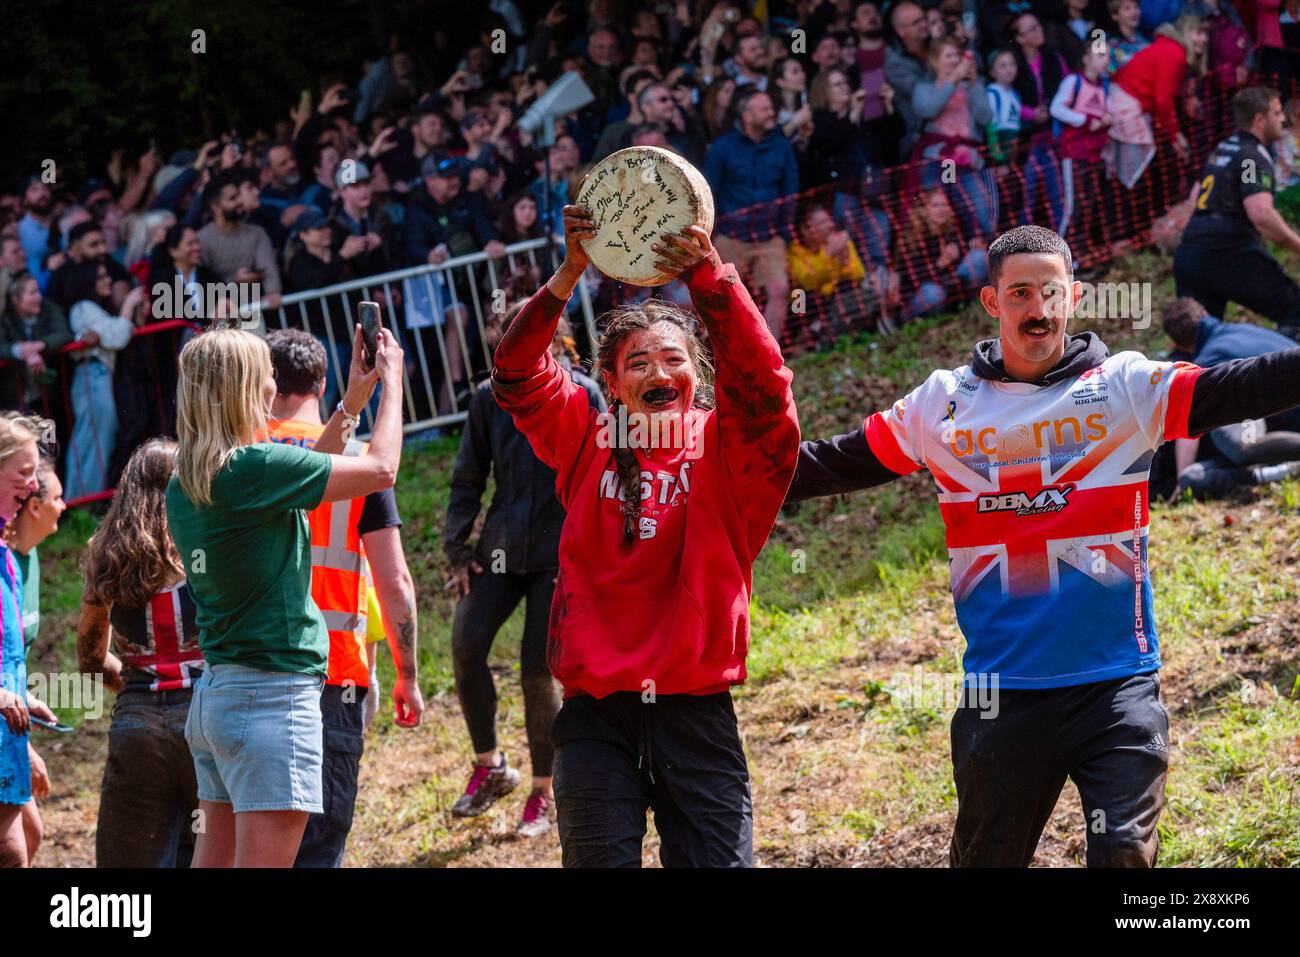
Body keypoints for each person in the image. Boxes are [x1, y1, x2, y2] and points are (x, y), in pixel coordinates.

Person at [788, 224, 1300, 867]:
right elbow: (832, 464)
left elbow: (1243, 385)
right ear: (991, 302)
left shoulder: (1125, 388)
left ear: (1075, 298)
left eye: (1051, 292)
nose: (1038, 309)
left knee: (1124, 859)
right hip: (1001, 693)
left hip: (1117, 685)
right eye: (1021, 293)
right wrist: (719, 476)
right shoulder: (942, 404)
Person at [491, 206, 799, 867]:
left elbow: (767, 392)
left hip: (697, 714)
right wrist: (568, 272)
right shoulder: (585, 438)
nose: (659, 373)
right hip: (595, 719)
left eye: (674, 358)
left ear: (696, 373)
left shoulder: (725, 446)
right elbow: (514, 372)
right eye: (639, 363)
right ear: (609, 383)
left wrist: (710, 276)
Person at [165, 322, 404, 868]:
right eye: (265, 373)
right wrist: (392, 386)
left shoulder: (193, 475)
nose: (274, 381)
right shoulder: (254, 468)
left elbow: (306, 481)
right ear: (245, 387)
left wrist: (350, 404)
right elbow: (381, 469)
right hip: (271, 700)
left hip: (219, 698)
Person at [262, 328, 425, 867]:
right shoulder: (359, 460)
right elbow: (395, 582)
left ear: (265, 383)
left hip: (252, 671)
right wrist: (407, 675)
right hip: (335, 677)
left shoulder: (243, 454)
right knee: (317, 845)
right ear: (323, 381)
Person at [444, 305, 605, 836]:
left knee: (539, 671)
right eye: (511, 336)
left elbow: (611, 472)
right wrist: (457, 546)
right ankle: (491, 767)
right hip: (502, 547)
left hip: (564, 552)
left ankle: (544, 790)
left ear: (556, 336)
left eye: (532, 333)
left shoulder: (583, 393)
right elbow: (468, 476)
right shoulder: (490, 398)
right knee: (466, 643)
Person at [77, 439, 206, 866]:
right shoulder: (207, 545)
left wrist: (136, 682)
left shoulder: (108, 555)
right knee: (211, 852)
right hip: (207, 724)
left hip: (137, 727)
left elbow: (91, 659)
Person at [1174, 87, 1300, 341]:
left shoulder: (1223, 150)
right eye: (1277, 113)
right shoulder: (1251, 159)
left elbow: (1193, 201)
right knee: (1296, 310)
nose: (1283, 119)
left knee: (1195, 337)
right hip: (1227, 251)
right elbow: (1261, 213)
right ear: (1260, 120)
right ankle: (1285, 374)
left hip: (1190, 253)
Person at [1158, 296, 1300, 497]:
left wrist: (1182, 482)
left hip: (1289, 419)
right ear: (1205, 314)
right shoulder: (1246, 329)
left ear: (1178, 346)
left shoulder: (1208, 361)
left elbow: (1189, 423)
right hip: (1285, 409)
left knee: (1238, 442)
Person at [0, 411, 58, 867]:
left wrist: (22, 695)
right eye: (23, 473)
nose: (32, 486)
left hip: (9, 719)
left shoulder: (9, 552)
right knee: (12, 849)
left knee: (29, 836)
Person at [704, 88, 800, 343]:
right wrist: (714, 234)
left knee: (779, 291)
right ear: (747, 115)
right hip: (731, 236)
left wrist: (784, 231)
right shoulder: (722, 148)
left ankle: (770, 354)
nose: (772, 114)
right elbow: (709, 191)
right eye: (764, 109)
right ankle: (724, 356)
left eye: (771, 108)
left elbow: (791, 191)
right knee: (724, 297)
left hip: (770, 236)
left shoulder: (781, 146)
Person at [1107, 14, 1207, 187]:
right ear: (1186, 32)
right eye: (1198, 33)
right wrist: (1175, 136)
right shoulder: (1174, 53)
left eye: (1205, 34)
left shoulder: (1171, 49)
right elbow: (1162, 100)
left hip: (1130, 105)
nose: (1204, 39)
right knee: (1135, 170)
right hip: (1126, 107)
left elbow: (1160, 91)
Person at [64, 262, 134, 501]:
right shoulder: (83, 308)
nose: (108, 281)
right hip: (92, 374)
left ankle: (84, 505)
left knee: (97, 441)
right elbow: (117, 335)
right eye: (101, 277)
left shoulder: (94, 308)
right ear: (87, 282)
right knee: (91, 442)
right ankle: (80, 506)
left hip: (98, 375)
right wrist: (129, 305)